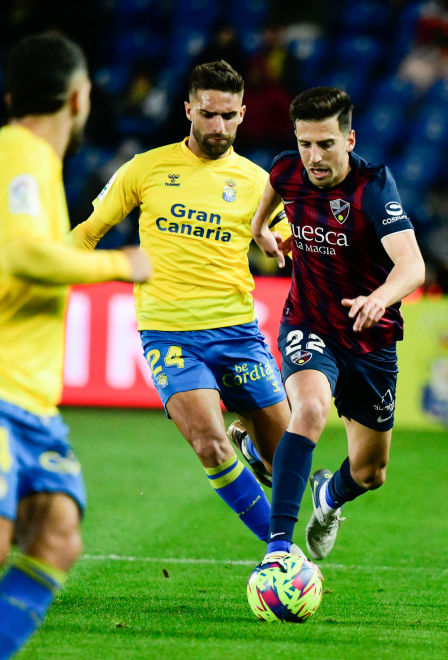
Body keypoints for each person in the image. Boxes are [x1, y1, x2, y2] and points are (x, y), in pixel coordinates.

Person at [0, 34, 151, 659]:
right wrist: (120, 264)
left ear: (14, 95)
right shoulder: (19, 155)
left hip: (23, 397)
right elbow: (24, 257)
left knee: (55, 537)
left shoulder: (25, 166)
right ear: (79, 99)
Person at [69, 61, 293, 550]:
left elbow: (285, 246)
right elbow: (86, 235)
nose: (218, 126)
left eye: (228, 116)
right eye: (208, 114)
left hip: (237, 332)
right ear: (189, 108)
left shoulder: (258, 183)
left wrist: (284, 248)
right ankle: (283, 553)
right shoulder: (146, 169)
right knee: (210, 443)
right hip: (168, 334)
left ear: (242, 115)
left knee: (287, 465)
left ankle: (255, 447)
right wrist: (40, 278)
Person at [251, 87, 425, 564]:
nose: (314, 156)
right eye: (305, 143)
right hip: (309, 321)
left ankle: (327, 499)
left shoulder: (373, 188)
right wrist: (262, 232)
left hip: (370, 339)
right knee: (308, 411)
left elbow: (412, 266)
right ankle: (278, 552)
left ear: (350, 140)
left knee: (370, 472)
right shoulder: (288, 169)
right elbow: (268, 199)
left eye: (325, 144)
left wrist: (381, 298)